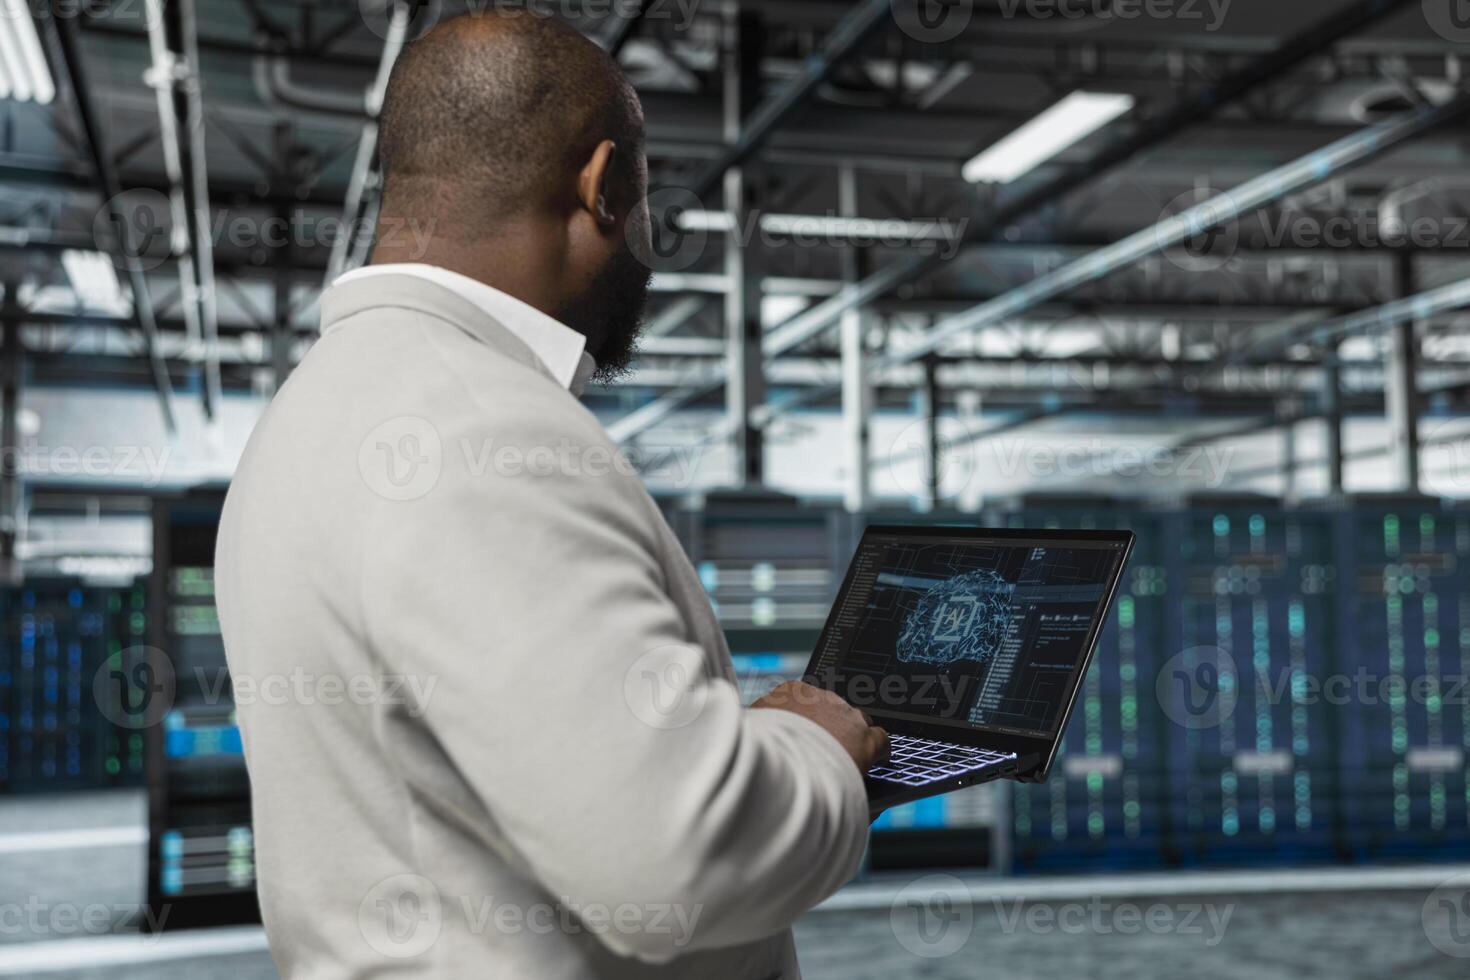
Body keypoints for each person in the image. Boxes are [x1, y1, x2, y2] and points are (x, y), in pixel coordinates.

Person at [215, 10, 888, 978]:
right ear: (602, 184)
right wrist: (815, 747)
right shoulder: (477, 432)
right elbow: (673, 856)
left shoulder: (320, 410)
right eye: (646, 204)